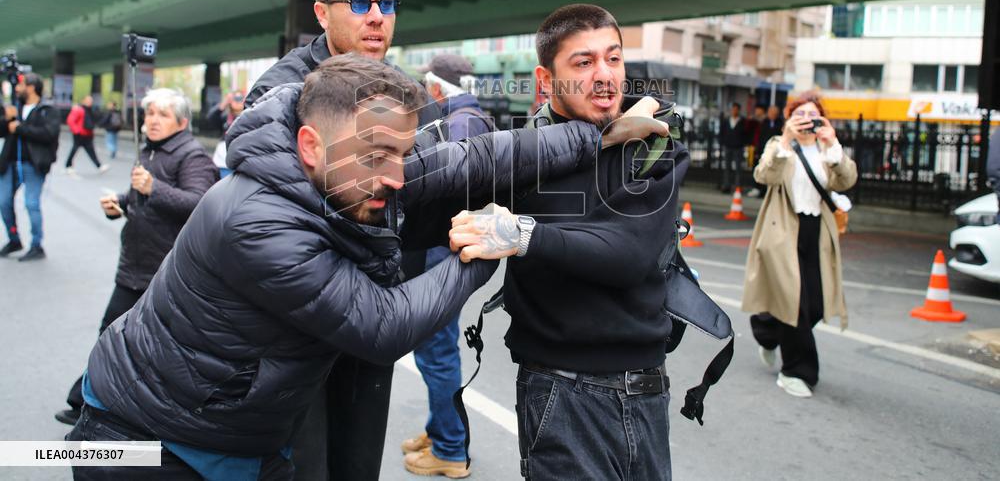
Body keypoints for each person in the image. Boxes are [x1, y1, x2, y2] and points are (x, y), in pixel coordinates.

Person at [68, 55, 667, 480]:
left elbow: (476, 154)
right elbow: (382, 325)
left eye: (402, 155)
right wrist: (486, 245)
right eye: (380, 157)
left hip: (235, 437)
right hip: (140, 443)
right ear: (309, 145)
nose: (396, 176)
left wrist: (599, 136)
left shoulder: (352, 166)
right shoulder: (257, 221)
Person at [447, 5, 692, 481]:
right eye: (583, 63)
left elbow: (627, 254)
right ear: (546, 79)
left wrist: (520, 235)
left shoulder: (655, 143)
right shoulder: (520, 155)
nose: (604, 76)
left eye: (613, 59)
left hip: (646, 389)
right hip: (559, 392)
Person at [246, 0, 440, 481]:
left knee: (357, 465)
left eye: (386, 3)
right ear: (321, 13)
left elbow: (419, 191)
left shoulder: (407, 92)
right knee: (304, 466)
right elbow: (286, 212)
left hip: (373, 311)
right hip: (297, 321)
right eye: (358, 4)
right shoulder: (281, 91)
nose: (376, 17)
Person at [55, 88, 218, 426]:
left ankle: (119, 409)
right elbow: (140, 197)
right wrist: (119, 203)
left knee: (157, 347)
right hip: (135, 265)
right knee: (111, 335)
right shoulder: (150, 151)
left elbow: (200, 205)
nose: (152, 121)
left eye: (162, 114)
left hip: (167, 271)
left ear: (182, 122)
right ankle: (87, 402)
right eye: (149, 114)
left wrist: (152, 189)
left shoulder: (192, 157)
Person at [403, 54, 492, 479]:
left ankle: (450, 449)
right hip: (448, 246)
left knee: (436, 351)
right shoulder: (474, 117)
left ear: (438, 87)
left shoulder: (458, 123)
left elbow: (445, 186)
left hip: (441, 247)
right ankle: (441, 429)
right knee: (437, 348)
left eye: (426, 84)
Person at [742, 92, 857, 398]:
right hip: (782, 233)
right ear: (790, 119)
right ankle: (796, 372)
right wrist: (785, 140)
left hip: (816, 232)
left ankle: (767, 330)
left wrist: (833, 144)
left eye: (814, 115)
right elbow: (763, 175)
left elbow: (845, 181)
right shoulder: (779, 147)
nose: (808, 120)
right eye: (801, 114)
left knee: (816, 304)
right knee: (795, 303)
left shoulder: (826, 150)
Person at [0, 73, 60, 261]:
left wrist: (19, 127)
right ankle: (14, 239)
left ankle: (36, 245)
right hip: (10, 163)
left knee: (31, 204)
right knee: (3, 201)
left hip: (33, 164)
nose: (17, 89)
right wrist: (7, 120)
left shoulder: (47, 110)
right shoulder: (14, 108)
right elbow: (4, 131)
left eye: (21, 85)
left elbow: (48, 134)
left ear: (32, 87)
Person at [65, 95, 108, 174]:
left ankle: (99, 166)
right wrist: (76, 131)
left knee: (91, 151)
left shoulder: (90, 110)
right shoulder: (78, 110)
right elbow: (70, 120)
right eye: (88, 100)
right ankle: (68, 165)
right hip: (79, 134)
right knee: (74, 149)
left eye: (91, 101)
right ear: (83, 101)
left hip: (88, 134)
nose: (90, 102)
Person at [205, 92, 245, 177]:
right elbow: (210, 118)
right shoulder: (225, 117)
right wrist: (224, 103)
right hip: (222, 159)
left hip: (241, 159)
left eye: (240, 99)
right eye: (235, 99)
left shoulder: (249, 116)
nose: (237, 101)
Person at [749, 105, 783, 197]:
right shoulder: (764, 122)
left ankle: (767, 190)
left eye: (775, 113)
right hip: (763, 149)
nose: (772, 115)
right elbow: (759, 137)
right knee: (762, 168)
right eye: (771, 113)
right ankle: (758, 188)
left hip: (776, 152)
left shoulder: (780, 123)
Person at [718, 102, 746, 193]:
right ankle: (726, 185)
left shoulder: (742, 121)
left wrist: (742, 143)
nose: (734, 111)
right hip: (728, 146)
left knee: (738, 168)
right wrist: (723, 142)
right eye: (733, 109)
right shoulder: (726, 120)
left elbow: (745, 133)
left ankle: (738, 186)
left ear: (739, 110)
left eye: (736, 109)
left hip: (738, 146)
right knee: (727, 167)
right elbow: (722, 132)